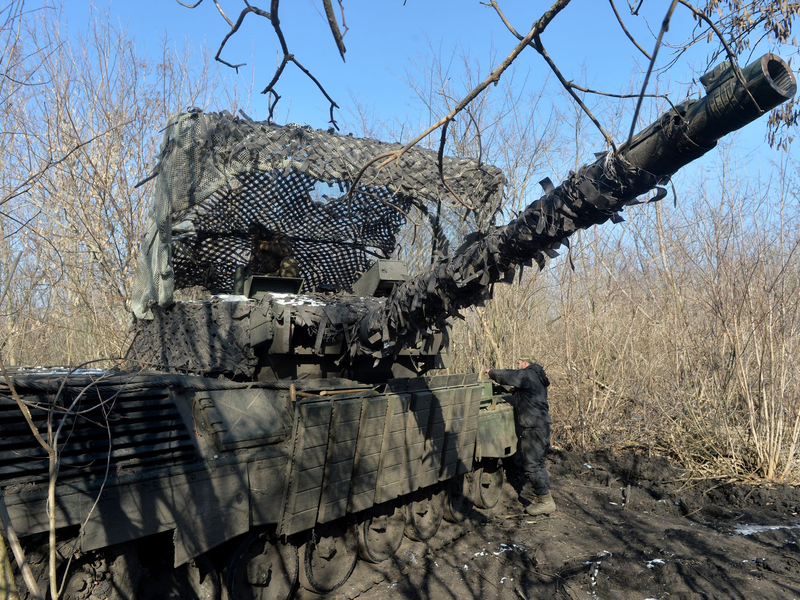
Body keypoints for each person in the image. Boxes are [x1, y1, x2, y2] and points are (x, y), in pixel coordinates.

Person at [485, 357, 556, 516]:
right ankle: (546, 495)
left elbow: (510, 376)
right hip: (543, 425)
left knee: (532, 467)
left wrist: (492, 372)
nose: (517, 365)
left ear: (525, 363)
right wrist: (517, 392)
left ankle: (545, 501)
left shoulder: (527, 375)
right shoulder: (538, 376)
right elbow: (530, 393)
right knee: (540, 463)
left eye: (519, 362)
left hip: (533, 428)